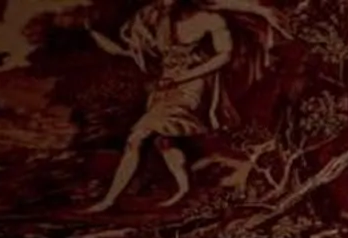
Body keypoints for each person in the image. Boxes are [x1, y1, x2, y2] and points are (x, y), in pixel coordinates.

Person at [89, 0, 237, 213]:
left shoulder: (210, 19)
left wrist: (184, 76)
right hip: (164, 87)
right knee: (163, 140)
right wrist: (95, 34)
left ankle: (109, 200)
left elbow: (225, 55)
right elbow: (127, 51)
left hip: (192, 86)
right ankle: (183, 188)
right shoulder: (158, 21)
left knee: (137, 137)